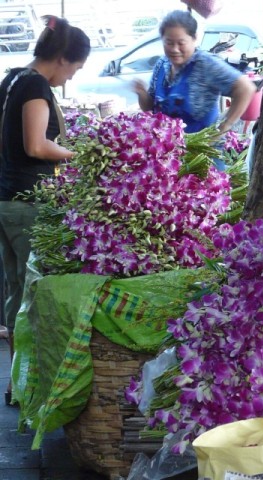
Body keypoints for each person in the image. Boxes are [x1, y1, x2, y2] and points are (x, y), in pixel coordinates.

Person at [0, 15, 90, 405]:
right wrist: (83, 154)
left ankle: (17, 382)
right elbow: (37, 146)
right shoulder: (35, 85)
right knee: (31, 295)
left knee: (15, 290)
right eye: (74, 69)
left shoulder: (12, 79)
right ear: (63, 59)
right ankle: (28, 385)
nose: (69, 79)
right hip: (25, 202)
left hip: (6, 200)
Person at [132, 9, 257, 134]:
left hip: (201, 150)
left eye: (181, 43)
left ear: (194, 38)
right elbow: (149, 108)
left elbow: (246, 88)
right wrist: (141, 93)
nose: (175, 49)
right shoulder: (161, 65)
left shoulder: (205, 64)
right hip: (169, 149)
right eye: (169, 43)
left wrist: (224, 126)